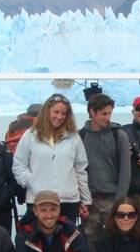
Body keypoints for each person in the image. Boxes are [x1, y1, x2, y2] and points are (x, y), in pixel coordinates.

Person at [12, 93, 91, 222]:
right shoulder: (30, 135)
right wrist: (32, 182)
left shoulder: (73, 137)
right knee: (39, 241)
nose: (59, 117)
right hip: (39, 200)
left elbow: (80, 170)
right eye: (56, 112)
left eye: (63, 113)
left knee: (67, 241)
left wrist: (85, 199)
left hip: (68, 201)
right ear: (47, 111)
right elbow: (19, 165)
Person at [78, 93, 131, 252]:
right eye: (104, 113)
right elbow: (75, 170)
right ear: (92, 112)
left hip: (112, 199)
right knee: (90, 246)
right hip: (89, 200)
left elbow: (125, 171)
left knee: (114, 244)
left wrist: (119, 202)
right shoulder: (80, 137)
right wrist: (81, 200)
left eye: (109, 113)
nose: (107, 118)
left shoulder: (119, 135)